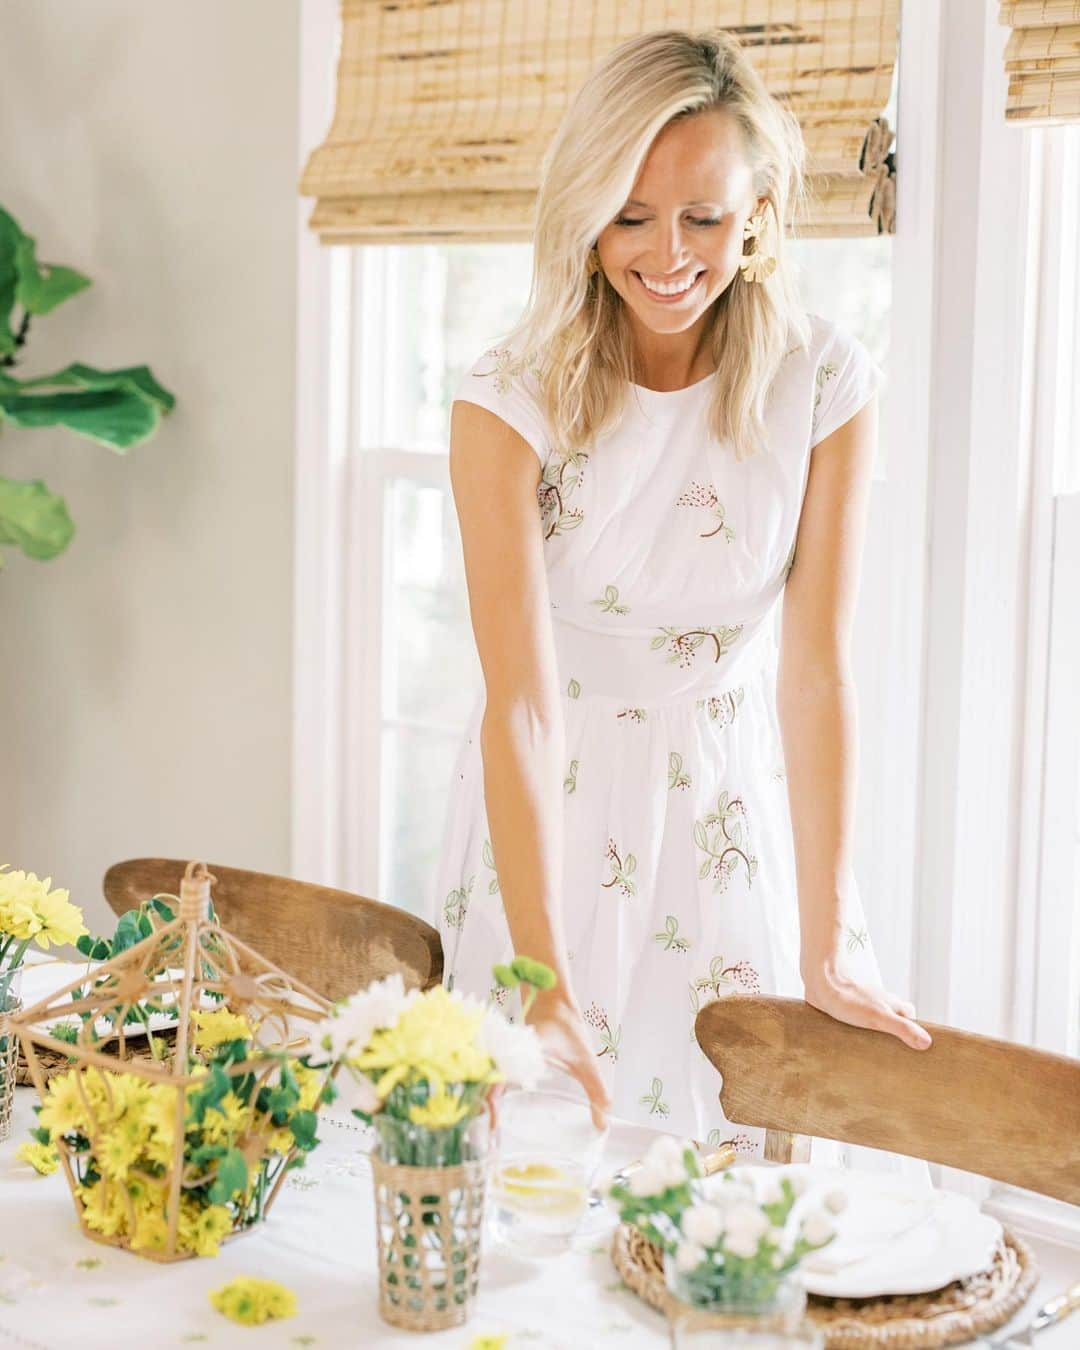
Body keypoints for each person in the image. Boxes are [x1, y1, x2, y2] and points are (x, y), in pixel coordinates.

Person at [430, 28, 932, 1159]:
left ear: (757, 213)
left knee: (742, 1170)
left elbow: (814, 673)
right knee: (544, 1164)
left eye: (703, 218)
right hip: (549, 798)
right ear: (586, 214)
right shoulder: (507, 398)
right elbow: (518, 701)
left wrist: (826, 935)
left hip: (726, 798)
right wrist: (543, 975)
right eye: (630, 215)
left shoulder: (825, 381)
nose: (667, 255)